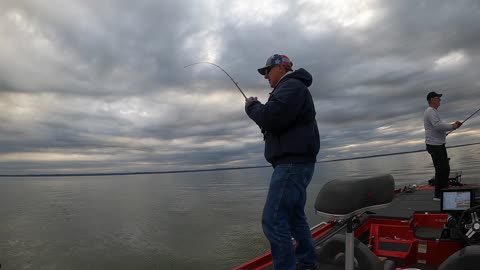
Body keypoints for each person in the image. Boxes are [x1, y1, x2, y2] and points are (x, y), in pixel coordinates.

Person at [245, 54, 320, 270]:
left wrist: (252, 106)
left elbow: (271, 116)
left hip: (291, 165)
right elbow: (277, 122)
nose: (266, 76)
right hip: (296, 164)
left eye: (267, 71)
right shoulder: (291, 88)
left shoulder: (291, 86)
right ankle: (306, 263)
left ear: (279, 68)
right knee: (295, 218)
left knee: (273, 221)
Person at [423, 91, 462, 201]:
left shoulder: (433, 112)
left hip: (438, 144)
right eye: (437, 98)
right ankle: (438, 194)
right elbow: (437, 126)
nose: (440, 100)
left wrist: (451, 128)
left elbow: (437, 127)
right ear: (431, 100)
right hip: (435, 146)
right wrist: (452, 126)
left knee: (444, 168)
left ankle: (443, 189)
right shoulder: (430, 111)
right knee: (442, 169)